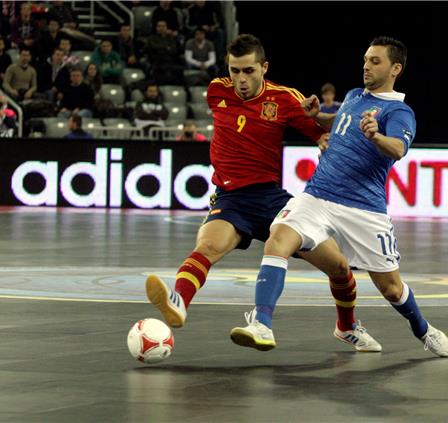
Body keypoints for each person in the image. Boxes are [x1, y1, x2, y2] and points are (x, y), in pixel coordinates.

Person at [145, 33, 381, 353]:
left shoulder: (284, 99)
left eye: (249, 71)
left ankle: (347, 326)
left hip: (271, 199)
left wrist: (325, 140)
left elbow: (319, 130)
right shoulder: (216, 91)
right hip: (231, 199)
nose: (241, 79)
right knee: (208, 246)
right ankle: (179, 302)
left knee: (339, 266)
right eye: (235, 71)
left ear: (263, 68)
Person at [230, 36, 448, 358]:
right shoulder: (352, 96)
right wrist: (317, 117)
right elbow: (341, 122)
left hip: (364, 210)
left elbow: (399, 149)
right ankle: (261, 323)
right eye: (365, 59)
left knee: (390, 288)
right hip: (318, 196)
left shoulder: (400, 111)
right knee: (277, 239)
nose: (366, 65)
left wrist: (377, 135)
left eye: (375, 61)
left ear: (395, 68)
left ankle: (422, 328)